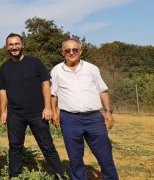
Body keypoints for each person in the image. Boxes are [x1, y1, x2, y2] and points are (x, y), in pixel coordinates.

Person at [0, 33, 65, 179]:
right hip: (15, 114)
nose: (14, 47)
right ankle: (14, 175)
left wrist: (48, 107)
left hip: (37, 112)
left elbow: (46, 84)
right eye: (11, 45)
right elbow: (2, 91)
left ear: (23, 45)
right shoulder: (4, 67)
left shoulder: (35, 62)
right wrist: (3, 111)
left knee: (47, 146)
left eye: (17, 44)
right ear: (7, 47)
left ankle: (60, 175)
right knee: (15, 147)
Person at [51, 38, 119, 180]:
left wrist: (108, 112)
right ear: (62, 52)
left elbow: (103, 91)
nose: (71, 53)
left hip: (94, 118)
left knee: (105, 156)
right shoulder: (56, 71)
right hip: (69, 119)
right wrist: (54, 112)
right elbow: (53, 94)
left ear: (80, 51)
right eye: (67, 50)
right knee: (75, 159)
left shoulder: (92, 69)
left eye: (75, 50)